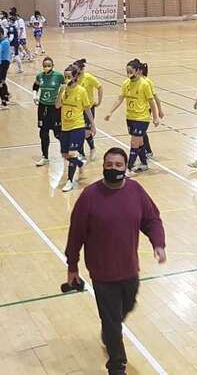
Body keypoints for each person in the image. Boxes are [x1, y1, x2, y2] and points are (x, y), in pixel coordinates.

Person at [65, 147, 166, 375]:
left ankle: (110, 330)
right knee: (112, 322)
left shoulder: (135, 191)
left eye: (118, 165)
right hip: (102, 274)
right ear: (103, 167)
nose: (113, 169)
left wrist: (158, 243)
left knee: (126, 307)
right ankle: (117, 366)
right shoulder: (89, 197)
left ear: (125, 167)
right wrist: (72, 266)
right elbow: (75, 235)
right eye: (109, 165)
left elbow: (152, 219)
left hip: (129, 269)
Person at [104, 59, 159, 175]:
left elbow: (151, 101)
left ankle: (128, 168)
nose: (128, 73)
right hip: (130, 117)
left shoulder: (144, 84)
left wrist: (155, 117)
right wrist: (110, 112)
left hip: (142, 118)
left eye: (131, 71)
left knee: (134, 142)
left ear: (138, 71)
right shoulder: (126, 83)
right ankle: (144, 163)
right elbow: (120, 98)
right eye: (127, 71)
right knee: (139, 142)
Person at [56, 64, 96, 192]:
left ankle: (69, 181)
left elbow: (87, 109)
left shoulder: (81, 91)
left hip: (77, 126)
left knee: (72, 153)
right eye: (65, 76)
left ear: (74, 77)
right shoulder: (63, 90)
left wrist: (92, 125)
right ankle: (79, 162)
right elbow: (57, 106)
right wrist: (61, 92)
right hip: (65, 126)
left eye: (69, 76)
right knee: (65, 154)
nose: (66, 78)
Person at [33, 56, 65, 166]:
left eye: (49, 65)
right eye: (45, 66)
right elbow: (35, 86)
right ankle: (45, 157)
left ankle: (66, 152)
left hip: (55, 108)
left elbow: (66, 86)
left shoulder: (59, 76)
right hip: (43, 107)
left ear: (53, 66)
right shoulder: (40, 76)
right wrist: (35, 96)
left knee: (58, 133)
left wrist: (61, 98)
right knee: (43, 132)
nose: (47, 67)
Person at [74, 59, 103, 161]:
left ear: (82, 69)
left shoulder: (88, 77)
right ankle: (81, 153)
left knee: (86, 132)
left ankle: (92, 148)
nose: (76, 71)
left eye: (77, 69)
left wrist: (99, 101)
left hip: (88, 108)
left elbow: (99, 87)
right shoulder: (74, 78)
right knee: (78, 132)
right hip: (77, 109)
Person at [140, 63, 163, 160]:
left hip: (146, 109)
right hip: (139, 109)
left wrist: (159, 111)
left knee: (142, 131)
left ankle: (148, 151)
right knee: (140, 132)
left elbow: (155, 97)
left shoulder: (147, 82)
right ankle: (144, 150)